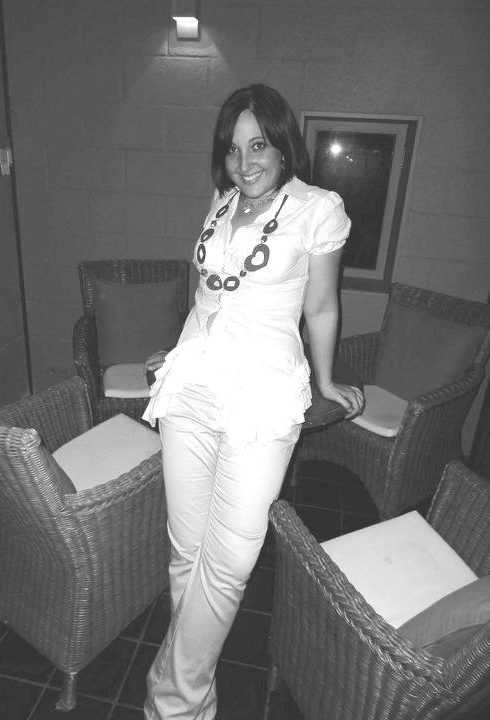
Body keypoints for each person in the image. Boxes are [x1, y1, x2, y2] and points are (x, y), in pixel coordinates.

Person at [142, 84, 364, 720]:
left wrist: (325, 381)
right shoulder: (221, 202)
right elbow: (209, 294)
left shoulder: (318, 208)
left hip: (263, 396)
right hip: (193, 389)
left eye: (259, 145)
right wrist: (178, 351)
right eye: (234, 149)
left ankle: (170, 699)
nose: (246, 162)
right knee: (187, 551)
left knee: (231, 559)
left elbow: (321, 306)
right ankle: (194, 697)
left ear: (283, 146)